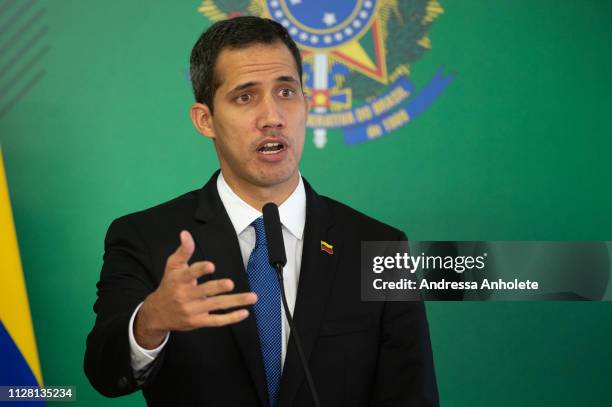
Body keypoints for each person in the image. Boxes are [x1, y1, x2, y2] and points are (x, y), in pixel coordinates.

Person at [84, 16, 439, 407]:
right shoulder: (146, 238)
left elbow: (411, 394)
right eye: (245, 97)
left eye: (286, 92)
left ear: (305, 104)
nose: (272, 117)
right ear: (206, 120)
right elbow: (105, 373)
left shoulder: (380, 247)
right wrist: (150, 321)